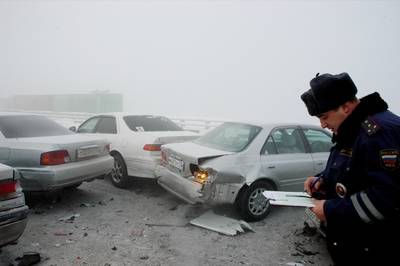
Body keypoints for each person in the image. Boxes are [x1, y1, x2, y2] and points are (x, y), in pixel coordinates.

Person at [300, 72, 400, 265]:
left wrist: (330, 210)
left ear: (346, 107)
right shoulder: (351, 129)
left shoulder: (380, 132)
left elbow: (388, 197)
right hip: (354, 245)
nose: (322, 124)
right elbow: (351, 171)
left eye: (324, 116)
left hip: (377, 249)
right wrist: (322, 180)